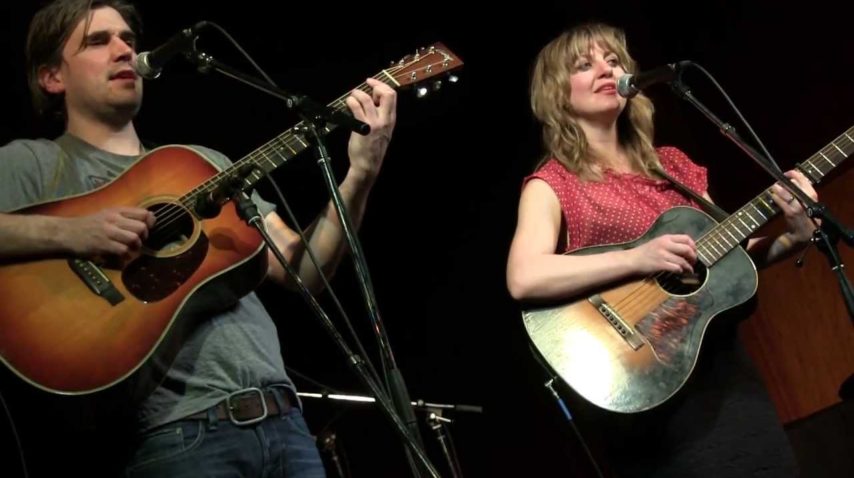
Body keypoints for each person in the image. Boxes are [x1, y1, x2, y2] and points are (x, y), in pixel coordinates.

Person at [0, 0, 396, 476]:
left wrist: (360, 176)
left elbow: (304, 269)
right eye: (98, 42)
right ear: (52, 78)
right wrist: (72, 232)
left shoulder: (202, 163)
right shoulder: (31, 162)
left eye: (128, 39)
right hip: (175, 438)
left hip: (286, 425)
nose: (124, 51)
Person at [506, 22, 817, 477]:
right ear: (557, 93)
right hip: (646, 386)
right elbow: (524, 277)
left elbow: (727, 257)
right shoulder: (553, 182)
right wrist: (638, 258)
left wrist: (794, 235)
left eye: (614, 60)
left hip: (727, 379)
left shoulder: (673, 165)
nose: (606, 70)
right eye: (585, 64)